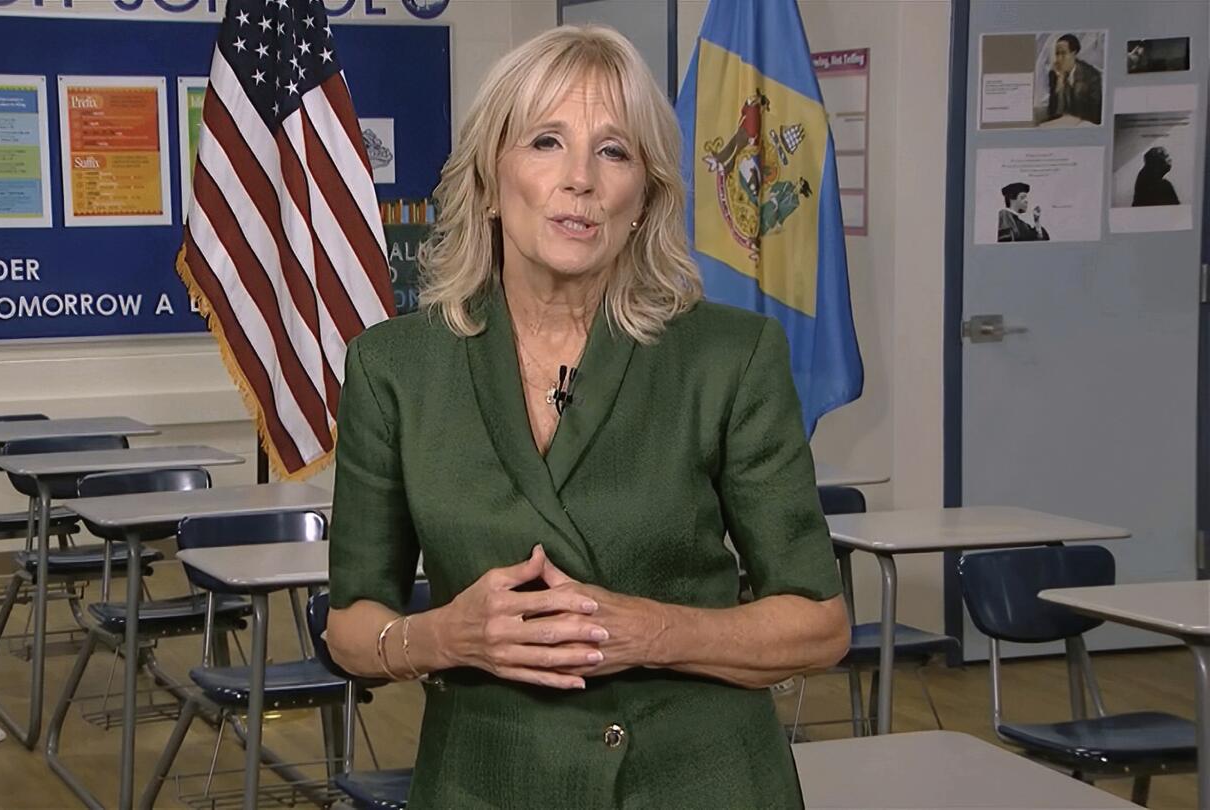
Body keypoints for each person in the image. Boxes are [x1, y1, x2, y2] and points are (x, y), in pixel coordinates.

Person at [326, 24, 850, 809]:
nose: (581, 179)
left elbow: (819, 624)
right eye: (546, 142)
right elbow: (351, 626)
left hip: (700, 783)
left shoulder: (729, 357)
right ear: (490, 178)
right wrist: (445, 636)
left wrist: (650, 632)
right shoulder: (394, 367)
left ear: (644, 196)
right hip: (490, 783)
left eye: (614, 151)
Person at [1046, 34, 1102, 125]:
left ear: (1074, 53)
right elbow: (1053, 113)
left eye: (1063, 53)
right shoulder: (1054, 75)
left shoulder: (1092, 76)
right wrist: (1060, 84)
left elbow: (1095, 115)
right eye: (1057, 54)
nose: (1059, 59)